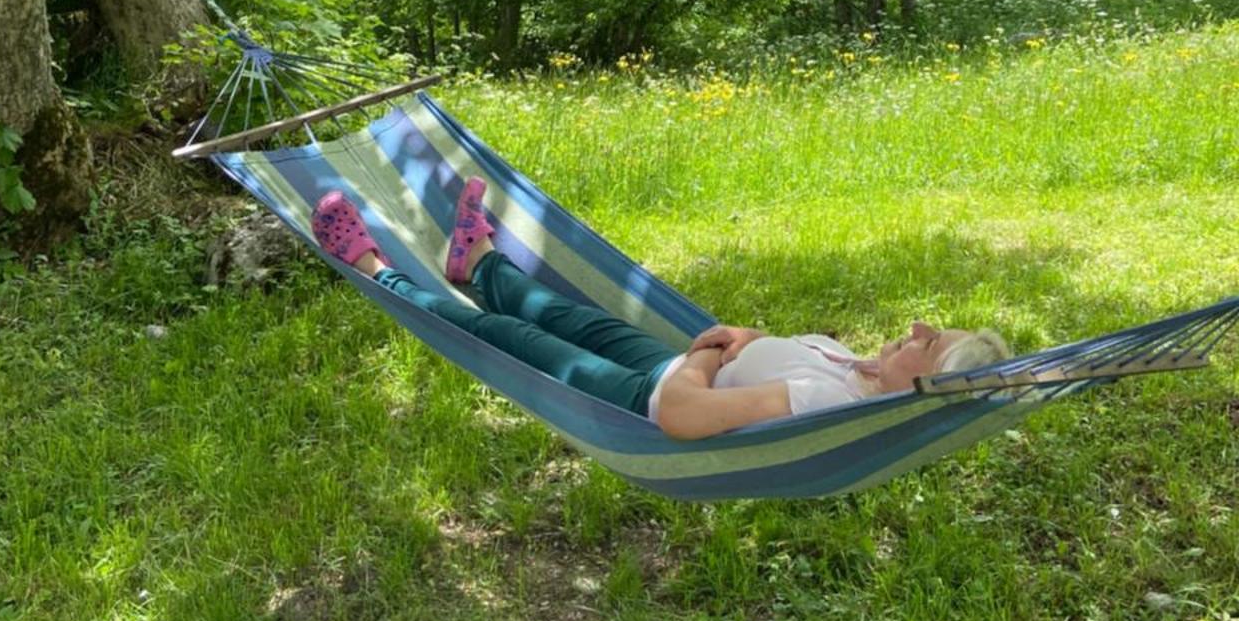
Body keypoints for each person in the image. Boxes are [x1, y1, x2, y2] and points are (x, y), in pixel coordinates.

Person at [312, 183, 1010, 441]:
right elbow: (769, 350)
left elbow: (682, 417)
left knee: (507, 337)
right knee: (554, 309)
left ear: (925, 386)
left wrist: (709, 355)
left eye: (931, 341)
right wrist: (743, 336)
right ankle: (479, 262)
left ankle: (373, 270)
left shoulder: (826, 401)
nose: (918, 327)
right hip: (672, 361)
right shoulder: (857, 372)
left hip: (647, 395)